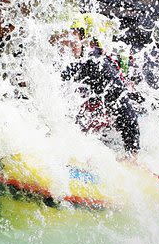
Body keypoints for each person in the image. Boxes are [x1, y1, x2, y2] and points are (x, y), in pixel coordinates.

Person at [58, 13, 142, 153]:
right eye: (59, 38)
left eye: (72, 37)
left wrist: (132, 156)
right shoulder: (52, 62)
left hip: (117, 125)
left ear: (87, 41)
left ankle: (130, 155)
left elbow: (129, 117)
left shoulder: (97, 64)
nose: (64, 43)